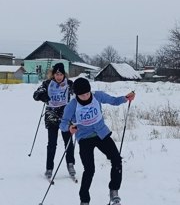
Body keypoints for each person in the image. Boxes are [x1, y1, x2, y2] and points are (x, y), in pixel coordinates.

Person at [60, 77, 135, 205]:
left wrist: (125, 98)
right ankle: (84, 200)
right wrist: (69, 128)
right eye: (82, 95)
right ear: (76, 94)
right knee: (89, 170)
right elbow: (63, 124)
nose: (86, 96)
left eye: (87, 93)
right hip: (84, 138)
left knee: (116, 160)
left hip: (101, 133)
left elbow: (113, 101)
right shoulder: (72, 106)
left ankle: (114, 191)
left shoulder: (97, 96)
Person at [33, 63, 76, 179]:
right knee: (52, 143)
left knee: (68, 142)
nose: (59, 77)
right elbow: (36, 95)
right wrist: (42, 96)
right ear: (53, 74)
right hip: (51, 115)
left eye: (61, 74)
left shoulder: (70, 84)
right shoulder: (47, 84)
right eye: (57, 74)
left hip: (65, 115)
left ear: (64, 74)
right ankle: (49, 168)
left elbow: (78, 94)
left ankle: (70, 164)